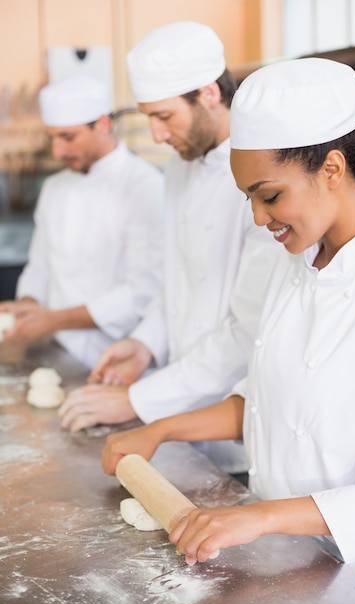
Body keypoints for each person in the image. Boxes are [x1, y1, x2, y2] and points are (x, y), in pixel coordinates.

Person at [100, 57, 355, 604]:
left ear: (333, 168)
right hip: (285, 570)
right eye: (247, 197)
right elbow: (266, 402)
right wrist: (161, 431)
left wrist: (258, 516)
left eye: (269, 195)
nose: (256, 217)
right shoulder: (290, 268)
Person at [58, 22, 279, 477]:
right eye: (148, 118)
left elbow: (249, 331)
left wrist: (138, 400)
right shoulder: (180, 166)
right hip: (177, 415)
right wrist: (144, 343)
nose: (156, 135)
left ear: (209, 94)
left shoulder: (266, 179)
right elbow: (176, 279)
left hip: (237, 429)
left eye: (163, 116)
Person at [0, 75, 164, 369]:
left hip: (119, 357)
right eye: (52, 137)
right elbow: (40, 266)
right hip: (57, 350)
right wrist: (27, 307)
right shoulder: (54, 187)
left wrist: (52, 320)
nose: (57, 152)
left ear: (102, 124)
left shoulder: (144, 186)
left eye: (68, 137)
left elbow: (142, 291)